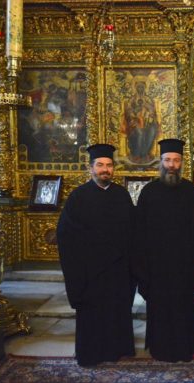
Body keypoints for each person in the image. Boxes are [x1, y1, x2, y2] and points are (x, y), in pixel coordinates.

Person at [56, 144, 136, 367]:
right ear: (91, 168)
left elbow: (132, 231)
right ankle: (91, 353)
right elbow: (66, 234)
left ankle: (116, 350)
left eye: (109, 165)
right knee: (92, 314)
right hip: (90, 270)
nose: (105, 170)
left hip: (118, 270)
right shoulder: (78, 197)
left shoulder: (121, 195)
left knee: (116, 311)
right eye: (100, 165)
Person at [134, 138, 194, 362]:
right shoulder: (149, 192)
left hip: (184, 266)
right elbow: (139, 233)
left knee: (183, 308)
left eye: (176, 160)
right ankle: (160, 348)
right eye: (168, 160)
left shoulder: (190, 192)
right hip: (157, 266)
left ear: (182, 163)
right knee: (160, 309)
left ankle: (184, 347)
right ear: (160, 162)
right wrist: (143, 267)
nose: (172, 165)